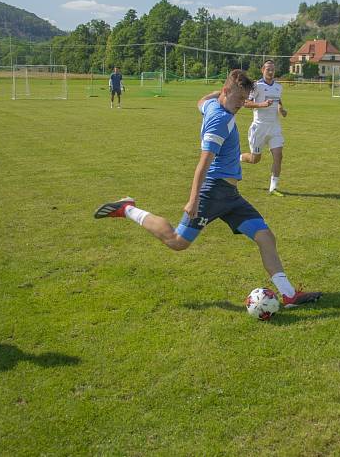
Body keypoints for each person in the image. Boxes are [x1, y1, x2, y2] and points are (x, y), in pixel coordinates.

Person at [93, 70, 321, 307]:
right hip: (213, 192)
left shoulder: (212, 105)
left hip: (230, 196)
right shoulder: (219, 121)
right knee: (177, 241)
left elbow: (200, 101)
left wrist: (221, 92)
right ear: (226, 92)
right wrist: (193, 200)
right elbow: (203, 164)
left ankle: (289, 295)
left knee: (265, 236)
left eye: (244, 100)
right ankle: (127, 208)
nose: (242, 105)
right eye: (239, 99)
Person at [240, 60, 288, 196]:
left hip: (274, 127)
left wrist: (281, 109)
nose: (271, 72)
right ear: (263, 70)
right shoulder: (256, 86)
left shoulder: (278, 87)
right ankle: (238, 157)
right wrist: (262, 105)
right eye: (268, 69)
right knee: (255, 159)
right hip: (259, 127)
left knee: (278, 156)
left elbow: (278, 100)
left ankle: (273, 187)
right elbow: (246, 103)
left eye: (273, 69)